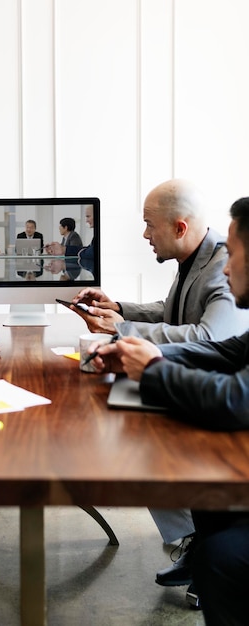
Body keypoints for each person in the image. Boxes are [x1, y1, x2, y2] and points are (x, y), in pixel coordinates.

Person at [71, 179, 249, 589]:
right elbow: (177, 317)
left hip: (215, 403)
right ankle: (196, 543)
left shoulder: (218, 268)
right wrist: (120, 313)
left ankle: (200, 547)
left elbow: (210, 338)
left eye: (149, 224)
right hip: (208, 390)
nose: (145, 234)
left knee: (144, 437)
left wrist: (136, 345)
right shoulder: (194, 259)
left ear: (180, 227)